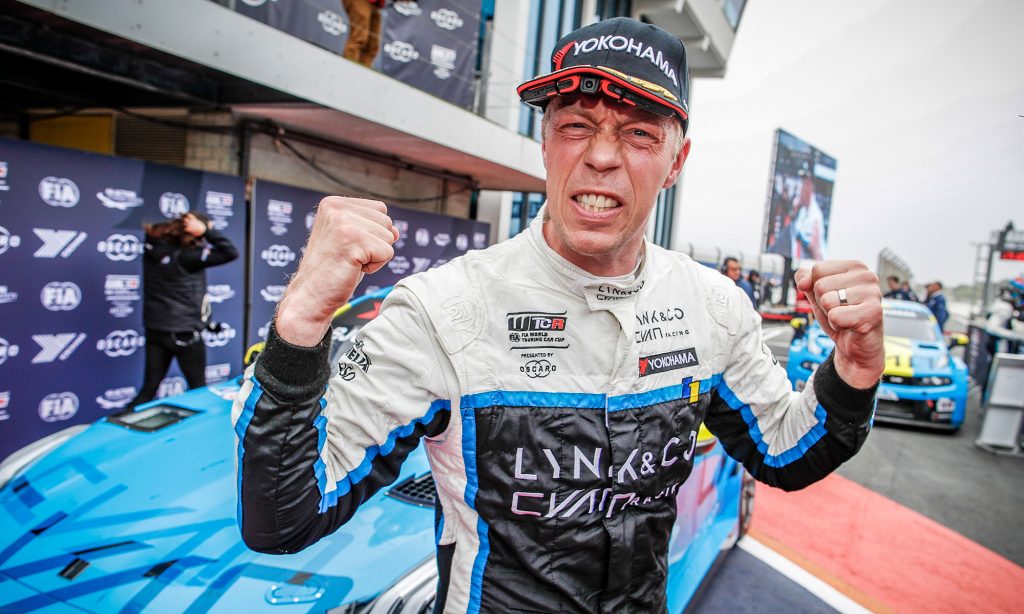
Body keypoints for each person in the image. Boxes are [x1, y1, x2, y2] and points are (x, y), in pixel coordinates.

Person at [234, 18, 884, 613]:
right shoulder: (444, 308)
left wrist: (854, 368)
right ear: (544, 142)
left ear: (676, 163)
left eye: (638, 133)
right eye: (576, 125)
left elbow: (787, 452)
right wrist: (302, 320)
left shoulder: (712, 305)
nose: (601, 156)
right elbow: (284, 517)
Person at [127, 212, 238, 409]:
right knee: (198, 389)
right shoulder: (187, 256)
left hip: (156, 330)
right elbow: (230, 252)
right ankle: (201, 428)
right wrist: (207, 231)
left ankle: (120, 424)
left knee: (148, 388)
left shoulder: (153, 248)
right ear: (193, 232)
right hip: (185, 333)